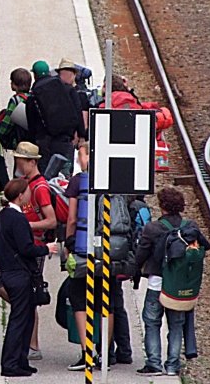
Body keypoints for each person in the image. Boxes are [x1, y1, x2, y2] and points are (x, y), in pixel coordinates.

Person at [64, 142, 133, 371]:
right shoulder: (114, 180)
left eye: (81, 155)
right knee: (108, 302)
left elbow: (72, 218)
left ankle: (87, 354)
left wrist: (68, 245)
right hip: (109, 250)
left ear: (89, 157)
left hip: (84, 250)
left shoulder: (78, 181)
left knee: (79, 300)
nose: (79, 160)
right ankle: (104, 353)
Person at [132, 187, 210, 376]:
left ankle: (154, 363)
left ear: (162, 206)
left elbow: (141, 255)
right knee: (176, 325)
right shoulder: (190, 227)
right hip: (179, 286)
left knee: (152, 322)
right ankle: (172, 365)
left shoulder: (152, 228)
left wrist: (134, 270)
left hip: (157, 283)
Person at [0, 178, 58, 377]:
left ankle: (21, 361)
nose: (30, 195)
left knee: (26, 317)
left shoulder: (3, 216)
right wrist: (46, 248)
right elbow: (26, 248)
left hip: (9, 271)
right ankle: (10, 364)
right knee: (19, 320)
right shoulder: (18, 219)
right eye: (28, 192)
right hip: (19, 274)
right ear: (21, 196)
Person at [27, 58, 86, 176]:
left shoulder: (33, 96)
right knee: (64, 176)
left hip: (43, 142)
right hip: (65, 140)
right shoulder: (68, 89)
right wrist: (81, 135)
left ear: (35, 75)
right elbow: (78, 112)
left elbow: (31, 124)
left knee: (45, 175)